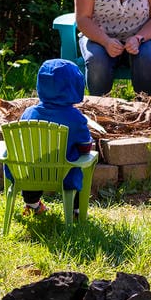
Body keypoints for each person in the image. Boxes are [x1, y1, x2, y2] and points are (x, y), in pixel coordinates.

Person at [14, 59, 94, 216]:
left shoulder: (29, 113)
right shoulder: (75, 118)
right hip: (64, 174)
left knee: (33, 169)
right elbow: (85, 147)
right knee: (77, 171)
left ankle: (32, 204)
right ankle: (75, 210)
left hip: (31, 173)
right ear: (75, 87)